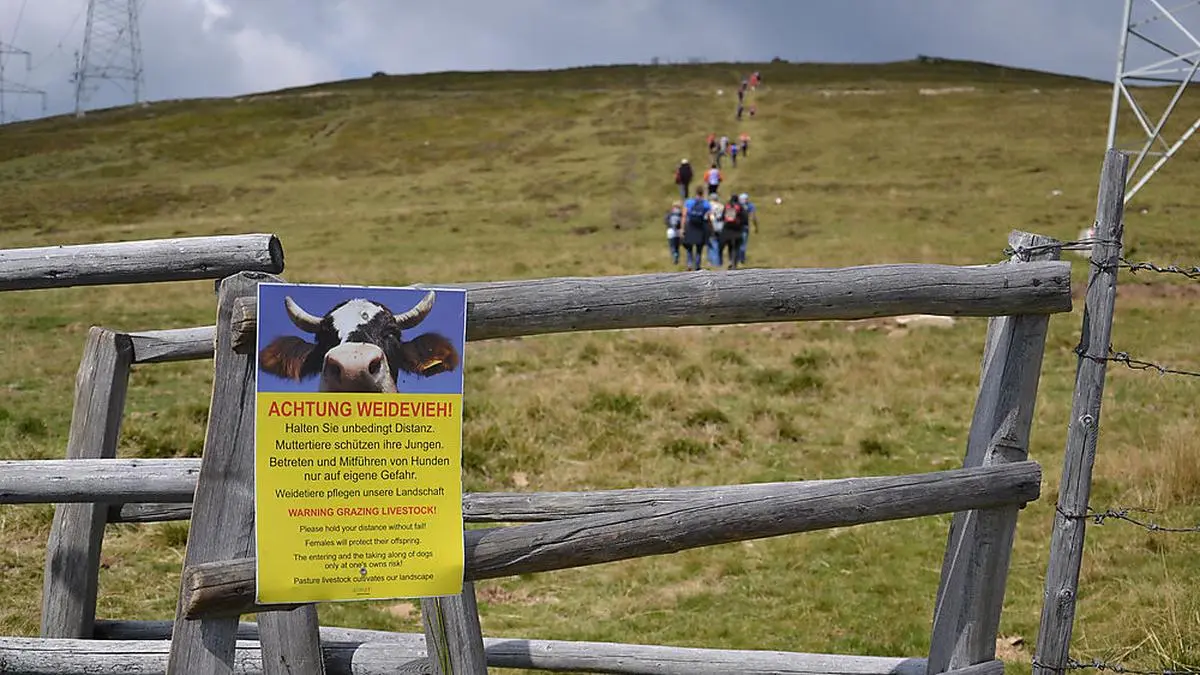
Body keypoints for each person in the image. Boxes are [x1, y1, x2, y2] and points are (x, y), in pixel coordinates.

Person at [682, 187, 711, 271]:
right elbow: (708, 217)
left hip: (690, 226)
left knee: (689, 247)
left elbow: (684, 215)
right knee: (699, 248)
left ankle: (689, 263)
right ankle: (697, 265)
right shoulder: (706, 204)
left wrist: (682, 228)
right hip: (700, 226)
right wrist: (710, 228)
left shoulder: (689, 202)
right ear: (703, 193)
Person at [720, 195, 747, 269]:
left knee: (730, 247)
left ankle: (730, 261)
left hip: (727, 230)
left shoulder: (727, 206)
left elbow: (722, 217)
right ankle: (734, 263)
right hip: (737, 230)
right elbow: (744, 218)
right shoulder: (740, 207)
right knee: (736, 247)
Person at [736, 193, 759, 265]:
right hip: (745, 227)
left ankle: (736, 258)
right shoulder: (750, 206)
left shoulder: (736, 205)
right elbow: (753, 217)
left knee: (737, 243)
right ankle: (741, 259)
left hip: (736, 227)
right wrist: (756, 226)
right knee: (743, 244)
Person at [664, 201, 683, 265]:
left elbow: (666, 221)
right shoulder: (681, 213)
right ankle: (676, 256)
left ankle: (674, 255)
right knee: (677, 246)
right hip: (678, 231)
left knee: (672, 245)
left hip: (671, 231)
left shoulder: (670, 213)